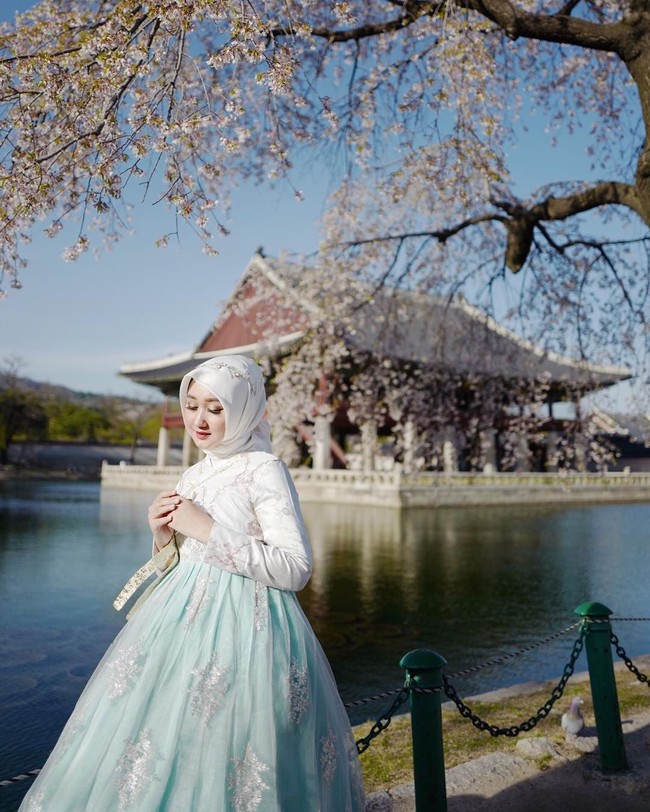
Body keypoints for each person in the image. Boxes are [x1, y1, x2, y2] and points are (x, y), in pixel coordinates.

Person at [20, 355, 365, 811]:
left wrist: (206, 528)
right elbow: (186, 561)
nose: (199, 420)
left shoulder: (264, 468)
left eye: (215, 409)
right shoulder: (195, 473)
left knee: (232, 747)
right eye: (192, 405)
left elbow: (295, 568)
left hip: (248, 629)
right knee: (159, 741)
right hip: (178, 624)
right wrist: (163, 536)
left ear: (242, 409)